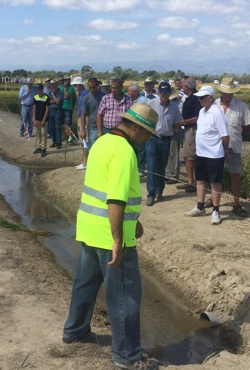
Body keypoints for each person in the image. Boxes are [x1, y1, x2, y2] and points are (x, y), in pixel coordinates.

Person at [62, 103, 160, 370]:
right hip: (110, 238)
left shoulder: (103, 142)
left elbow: (106, 188)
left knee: (85, 284)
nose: (148, 139)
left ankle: (75, 331)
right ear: (137, 128)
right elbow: (115, 199)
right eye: (148, 133)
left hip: (89, 230)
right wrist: (118, 240)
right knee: (125, 296)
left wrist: (134, 221)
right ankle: (127, 357)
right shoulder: (124, 151)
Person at [184, 85, 229, 225]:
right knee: (201, 180)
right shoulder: (202, 112)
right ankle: (200, 207)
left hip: (214, 154)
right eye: (199, 97)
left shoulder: (217, 112)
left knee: (215, 182)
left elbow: (225, 136)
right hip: (201, 153)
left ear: (210, 98)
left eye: (202, 98)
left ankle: (216, 210)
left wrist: (224, 151)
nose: (200, 100)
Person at [215, 79, 250, 217]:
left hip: (234, 145)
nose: (228, 95)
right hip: (216, 146)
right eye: (226, 92)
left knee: (235, 175)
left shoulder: (241, 106)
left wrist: (236, 133)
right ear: (221, 92)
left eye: (231, 93)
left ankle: (236, 203)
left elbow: (247, 125)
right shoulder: (214, 105)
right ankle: (214, 202)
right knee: (215, 175)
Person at [144, 82, 182, 206]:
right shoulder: (151, 104)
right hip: (152, 138)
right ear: (159, 92)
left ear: (169, 93)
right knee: (151, 167)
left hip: (166, 140)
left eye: (167, 93)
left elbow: (178, 122)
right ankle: (150, 194)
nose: (164, 95)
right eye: (162, 92)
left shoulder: (174, 107)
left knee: (162, 167)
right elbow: (145, 119)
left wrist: (172, 130)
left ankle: (159, 192)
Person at [176, 78, 200, 193]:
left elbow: (197, 117)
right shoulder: (190, 97)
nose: (182, 87)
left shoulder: (195, 98)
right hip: (187, 129)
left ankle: (194, 182)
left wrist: (184, 122)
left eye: (183, 85)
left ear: (187, 87)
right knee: (186, 155)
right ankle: (189, 181)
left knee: (191, 156)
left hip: (192, 129)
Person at [78, 77, 105, 170]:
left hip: (104, 126)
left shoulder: (104, 96)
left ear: (98, 86)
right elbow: (83, 114)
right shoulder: (86, 98)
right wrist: (82, 129)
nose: (92, 89)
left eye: (94, 87)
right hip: (92, 127)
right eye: (90, 87)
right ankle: (93, 167)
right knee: (93, 148)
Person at [32, 83, 49, 157]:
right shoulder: (35, 97)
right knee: (38, 133)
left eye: (39, 89)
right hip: (37, 118)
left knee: (44, 134)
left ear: (42, 89)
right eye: (37, 89)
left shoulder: (46, 97)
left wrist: (43, 120)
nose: (37, 91)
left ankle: (44, 148)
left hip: (43, 119)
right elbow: (34, 108)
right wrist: (34, 119)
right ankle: (39, 147)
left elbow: (47, 109)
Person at [48, 79, 64, 148]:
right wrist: (54, 101)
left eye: (53, 84)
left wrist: (53, 96)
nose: (52, 86)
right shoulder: (49, 92)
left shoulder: (60, 92)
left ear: (56, 85)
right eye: (51, 85)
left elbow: (58, 102)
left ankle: (59, 143)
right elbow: (48, 101)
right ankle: (54, 141)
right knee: (52, 127)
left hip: (58, 111)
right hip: (51, 110)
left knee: (57, 127)